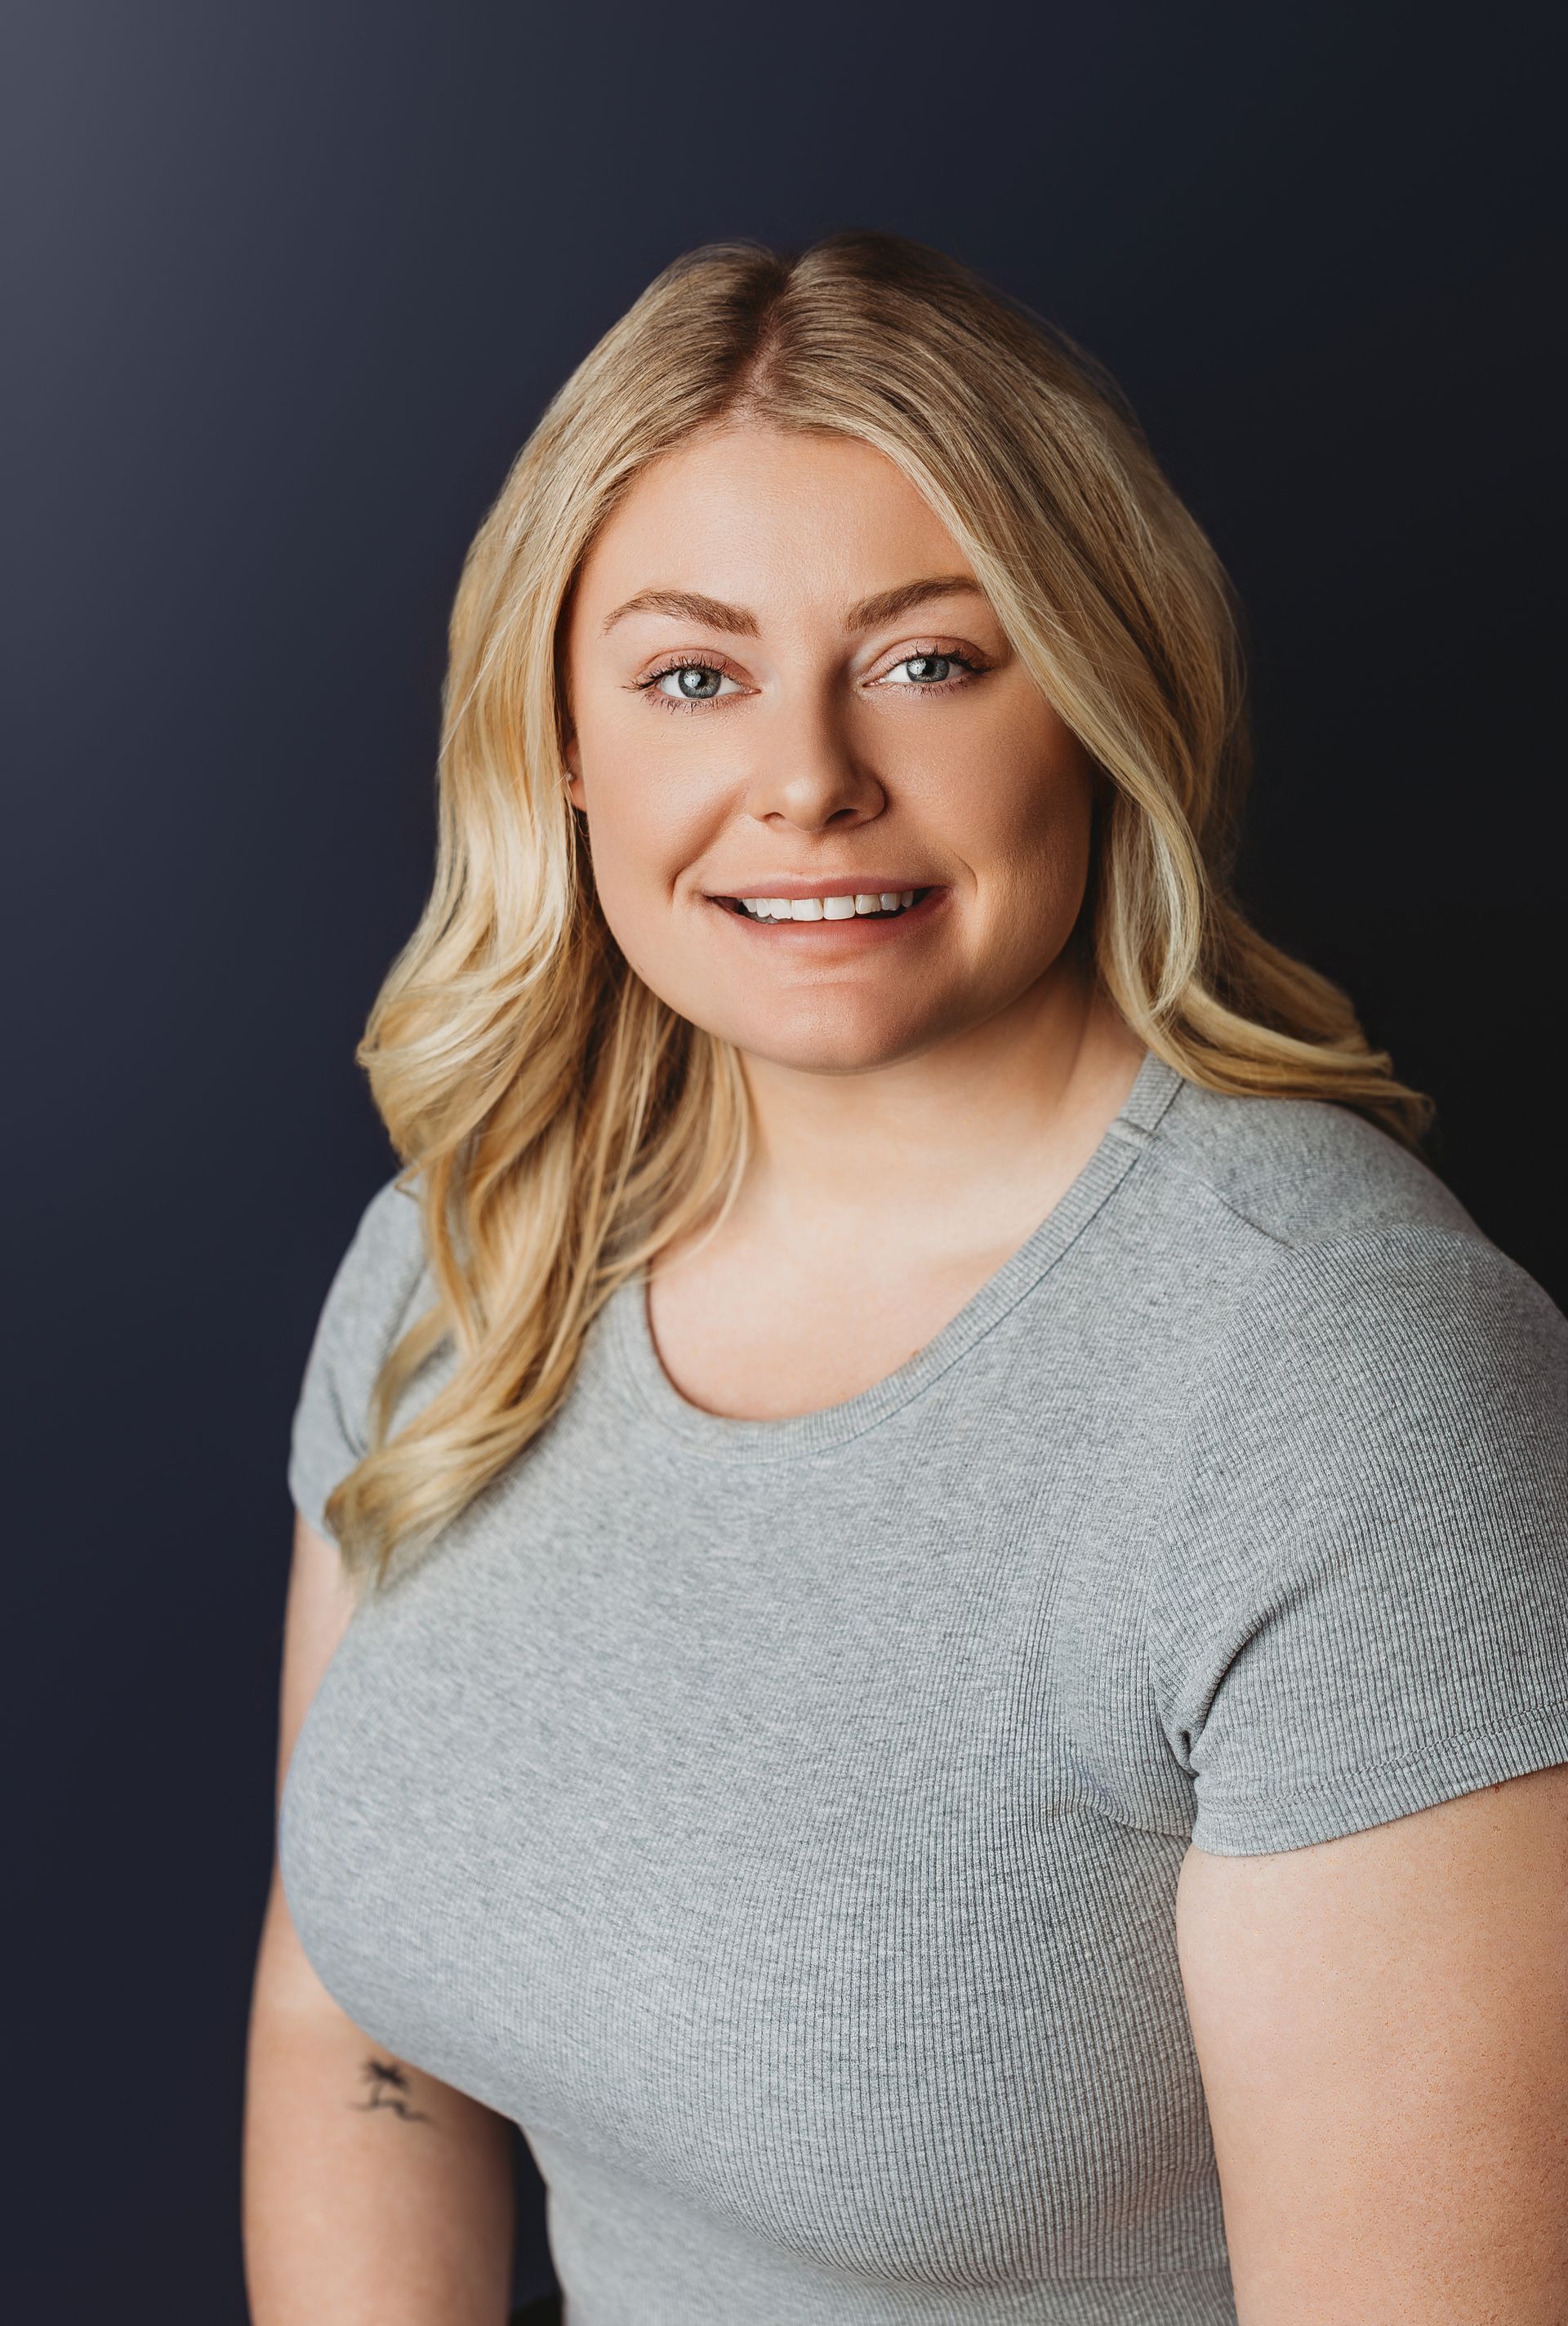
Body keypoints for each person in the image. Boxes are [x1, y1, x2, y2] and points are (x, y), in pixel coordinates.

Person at [241, 230, 1568, 2326]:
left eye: (932, 662)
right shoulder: (466, 1249)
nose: (808, 779)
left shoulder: (1338, 1391)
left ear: (1106, 699)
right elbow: (347, 2029)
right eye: (694, 677)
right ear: (562, 741)